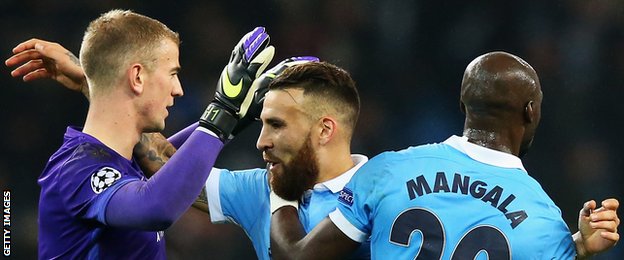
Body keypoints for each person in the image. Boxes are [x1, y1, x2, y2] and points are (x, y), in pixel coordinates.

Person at [7, 42, 618, 259]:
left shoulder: (383, 184)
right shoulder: (257, 187)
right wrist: (101, 82)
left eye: (274, 126)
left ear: (325, 130)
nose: (261, 142)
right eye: (259, 124)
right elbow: (157, 162)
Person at [268, 51, 621, 259]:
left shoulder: (387, 171)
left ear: (463, 104)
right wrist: (576, 246)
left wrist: (280, 194)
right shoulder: (544, 224)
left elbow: (298, 256)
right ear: (531, 111)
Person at [5, 10, 275, 259]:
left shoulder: (120, 159)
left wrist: (242, 113)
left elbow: (174, 164)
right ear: (137, 77)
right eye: (172, 73)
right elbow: (156, 207)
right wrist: (223, 110)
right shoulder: (77, 169)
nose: (178, 89)